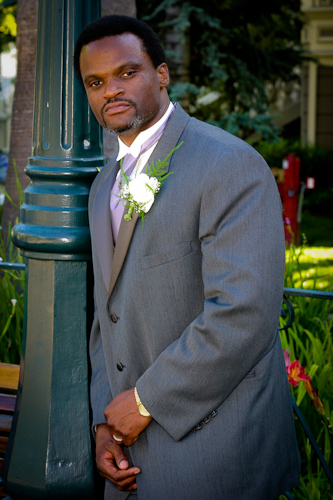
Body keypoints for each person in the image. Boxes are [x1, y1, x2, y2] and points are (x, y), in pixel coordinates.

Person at [74, 15, 300, 500]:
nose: (110, 89)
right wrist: (102, 424)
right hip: (127, 453)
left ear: (161, 74)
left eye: (127, 72)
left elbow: (243, 313)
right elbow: (105, 319)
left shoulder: (228, 164)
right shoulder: (101, 188)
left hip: (214, 453)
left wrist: (144, 401)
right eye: (95, 82)